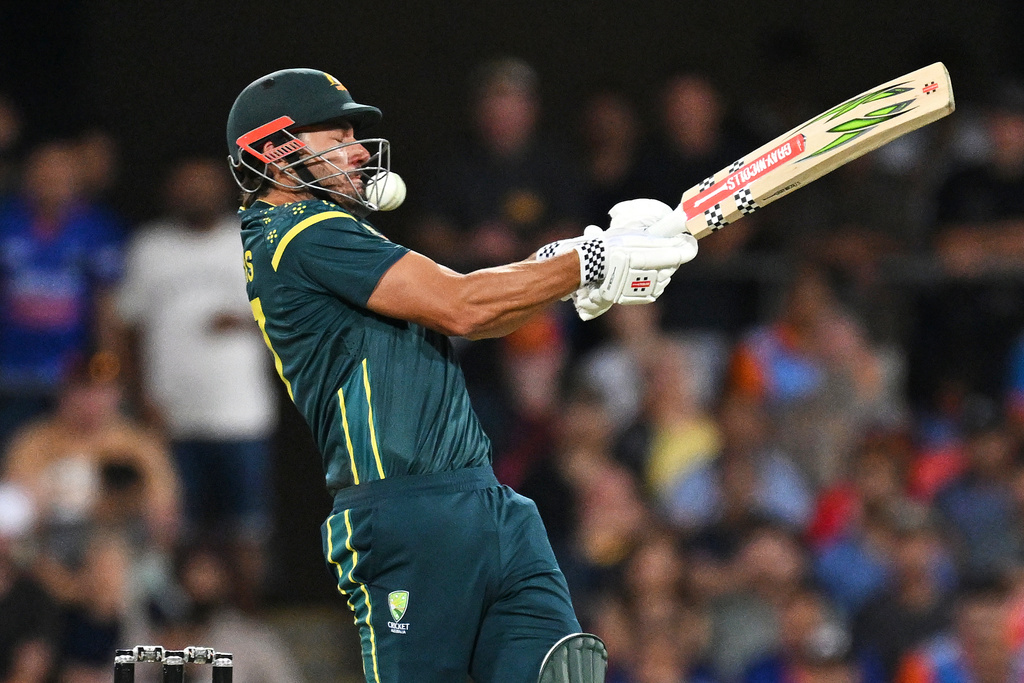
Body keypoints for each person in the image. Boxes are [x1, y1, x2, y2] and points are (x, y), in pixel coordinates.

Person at [224, 67, 697, 683]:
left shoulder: (328, 236)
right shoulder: (298, 235)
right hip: (406, 515)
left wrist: (564, 276)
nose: (360, 149)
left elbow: (475, 314)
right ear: (274, 149)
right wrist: (590, 259)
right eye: (335, 133)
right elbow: (464, 305)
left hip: (486, 500)